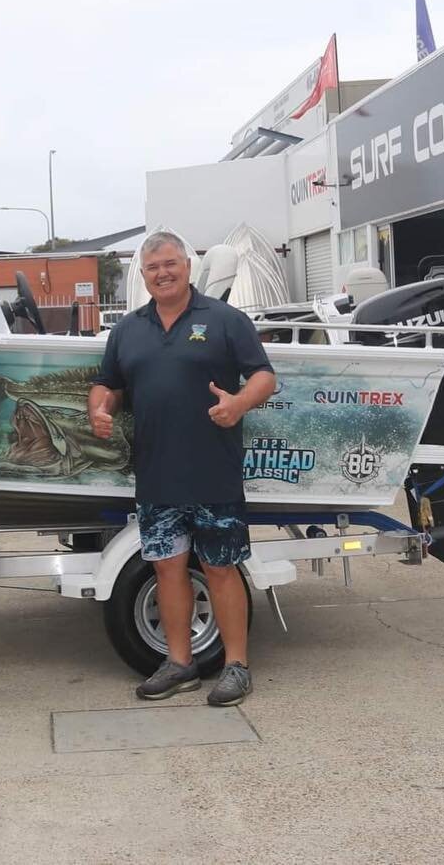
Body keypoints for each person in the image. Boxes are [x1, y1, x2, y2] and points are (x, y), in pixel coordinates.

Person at [88, 231, 277, 706]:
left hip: (214, 473)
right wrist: (100, 410)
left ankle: (236, 667)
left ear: (188, 266)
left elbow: (264, 376)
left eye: (170, 263)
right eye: (153, 267)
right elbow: (107, 384)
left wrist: (238, 405)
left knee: (220, 568)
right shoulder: (128, 330)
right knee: (167, 569)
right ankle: (180, 664)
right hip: (155, 476)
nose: (163, 273)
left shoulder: (225, 320)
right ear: (144, 275)